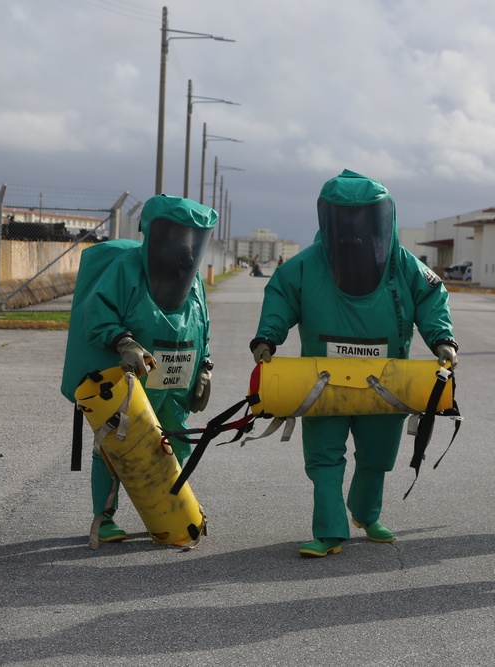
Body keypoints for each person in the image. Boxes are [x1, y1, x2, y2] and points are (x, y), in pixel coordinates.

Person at [250, 169, 458, 558]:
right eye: (345, 221)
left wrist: (442, 339)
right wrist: (267, 337)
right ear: (328, 219)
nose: (354, 231)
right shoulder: (305, 265)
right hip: (322, 381)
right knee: (324, 456)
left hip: (385, 381)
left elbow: (433, 299)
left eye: (364, 221)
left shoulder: (405, 265)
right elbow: (280, 296)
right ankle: (329, 530)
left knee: (378, 454)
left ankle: (366, 513)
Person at [66, 194, 217, 543]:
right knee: (115, 446)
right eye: (179, 235)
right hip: (132, 380)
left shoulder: (191, 278)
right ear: (158, 234)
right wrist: (123, 341)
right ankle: (103, 518)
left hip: (175, 383)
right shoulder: (127, 268)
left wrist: (205, 366)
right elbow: (98, 312)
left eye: (193, 237)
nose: (187, 246)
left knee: (176, 444)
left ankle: (171, 512)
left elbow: (201, 325)